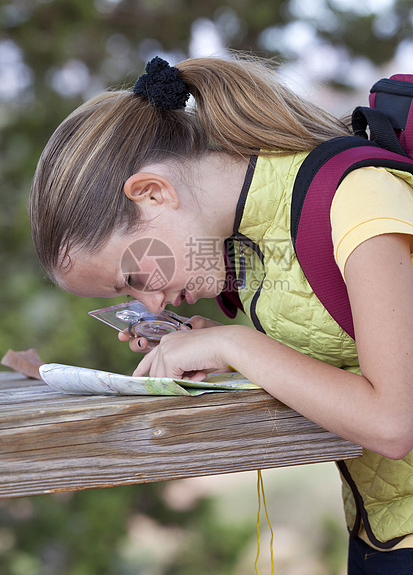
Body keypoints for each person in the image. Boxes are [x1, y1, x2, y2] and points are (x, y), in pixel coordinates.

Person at [29, 54, 413, 574]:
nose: (153, 304)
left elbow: (393, 423)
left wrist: (237, 344)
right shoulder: (249, 247)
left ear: (152, 193)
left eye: (135, 279)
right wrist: (219, 346)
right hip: (379, 532)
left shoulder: (354, 201)